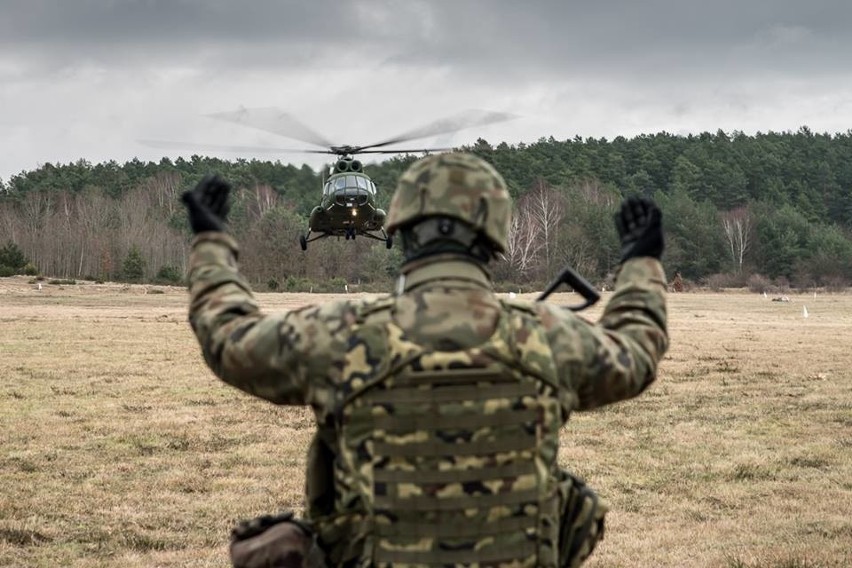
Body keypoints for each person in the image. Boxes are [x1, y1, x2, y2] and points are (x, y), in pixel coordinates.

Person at [182, 152, 668, 568]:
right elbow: (637, 351)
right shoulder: (545, 334)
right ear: (493, 236)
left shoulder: (341, 334)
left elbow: (228, 337)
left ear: (403, 230)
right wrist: (641, 264)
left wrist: (211, 243)